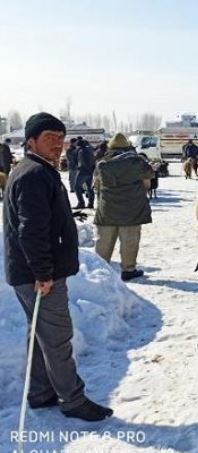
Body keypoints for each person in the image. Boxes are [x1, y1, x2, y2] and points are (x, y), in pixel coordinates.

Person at [3, 112, 113, 421]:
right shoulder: (33, 175)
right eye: (50, 139)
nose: (57, 145)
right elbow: (31, 229)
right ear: (31, 141)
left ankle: (40, 391)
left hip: (30, 273)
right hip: (38, 275)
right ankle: (72, 399)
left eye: (61, 139)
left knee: (39, 332)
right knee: (57, 336)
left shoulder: (36, 171)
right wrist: (43, 273)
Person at [94, 133, 154, 281]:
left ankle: (100, 270)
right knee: (129, 241)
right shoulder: (138, 163)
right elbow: (148, 183)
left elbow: (97, 186)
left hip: (107, 209)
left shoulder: (102, 164)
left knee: (104, 242)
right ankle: (128, 269)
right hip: (131, 210)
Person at [74, 139, 95, 209]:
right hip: (90, 171)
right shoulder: (90, 150)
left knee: (76, 187)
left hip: (83, 171)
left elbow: (83, 162)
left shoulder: (81, 151)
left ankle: (81, 202)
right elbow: (93, 160)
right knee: (89, 188)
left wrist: (81, 168)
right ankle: (90, 203)